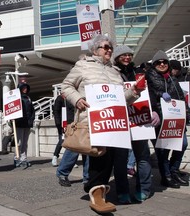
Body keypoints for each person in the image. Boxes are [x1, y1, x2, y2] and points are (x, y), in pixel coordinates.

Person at [61, 34, 145, 214]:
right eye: (105, 47)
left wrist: (135, 91)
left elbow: (122, 98)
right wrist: (77, 99)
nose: (109, 50)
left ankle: (99, 190)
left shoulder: (115, 71)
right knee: (100, 158)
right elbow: (66, 86)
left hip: (113, 122)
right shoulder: (83, 66)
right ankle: (97, 196)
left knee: (112, 159)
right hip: (93, 121)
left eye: (110, 48)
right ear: (95, 49)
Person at [112, 45, 159, 203]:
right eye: (123, 55)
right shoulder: (111, 72)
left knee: (143, 156)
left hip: (139, 119)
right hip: (120, 120)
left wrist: (154, 110)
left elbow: (149, 91)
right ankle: (122, 192)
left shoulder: (139, 72)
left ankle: (143, 189)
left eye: (129, 55)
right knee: (120, 159)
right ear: (117, 57)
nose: (126, 58)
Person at [146, 50, 190, 188]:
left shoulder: (172, 78)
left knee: (182, 144)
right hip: (160, 119)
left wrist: (187, 114)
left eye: (164, 61)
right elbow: (149, 94)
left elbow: (181, 98)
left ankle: (174, 170)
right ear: (154, 65)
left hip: (175, 119)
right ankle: (166, 176)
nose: (162, 64)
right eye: (158, 62)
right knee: (163, 151)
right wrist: (160, 95)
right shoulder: (149, 78)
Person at [14, 82, 35, 168]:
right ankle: (16, 158)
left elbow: (32, 110)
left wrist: (32, 119)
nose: (25, 89)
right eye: (23, 88)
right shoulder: (16, 98)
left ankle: (23, 158)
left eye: (26, 87)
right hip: (19, 123)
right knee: (18, 143)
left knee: (25, 143)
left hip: (27, 123)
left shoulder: (28, 98)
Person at [52, 93, 74, 166]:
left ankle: (70, 161)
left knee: (71, 142)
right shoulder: (60, 99)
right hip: (62, 124)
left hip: (71, 123)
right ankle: (55, 156)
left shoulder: (71, 98)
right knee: (62, 140)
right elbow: (56, 111)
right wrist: (58, 123)